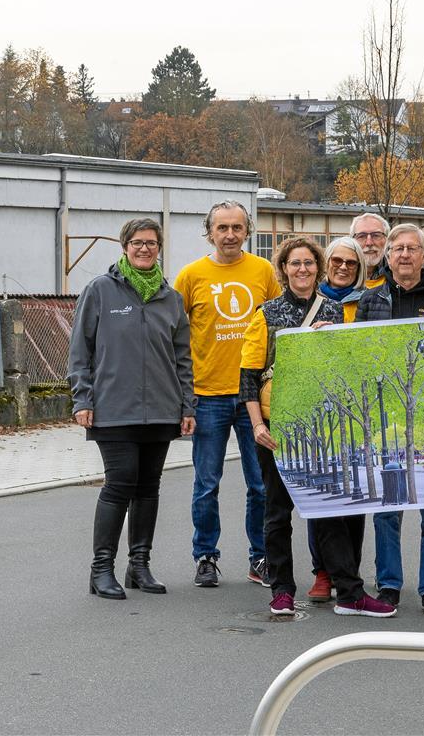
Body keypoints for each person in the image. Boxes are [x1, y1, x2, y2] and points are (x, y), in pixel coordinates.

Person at [240, 236, 397, 618]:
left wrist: (334, 341)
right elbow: (248, 376)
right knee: (277, 512)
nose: (303, 270)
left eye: (309, 263)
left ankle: (349, 592)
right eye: (295, 264)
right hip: (276, 427)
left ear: (319, 268)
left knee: (329, 509)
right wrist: (257, 425)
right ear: (284, 269)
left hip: (321, 427)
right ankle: (281, 590)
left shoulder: (337, 311)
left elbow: (349, 369)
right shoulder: (266, 313)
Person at [68, 218, 197, 600]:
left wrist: (186, 405)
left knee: (149, 488)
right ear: (124, 247)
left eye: (152, 243)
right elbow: (80, 351)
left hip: (160, 409)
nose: (145, 249)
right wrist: (82, 398)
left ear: (160, 248)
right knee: (120, 483)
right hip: (113, 409)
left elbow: (182, 358)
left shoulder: (170, 298)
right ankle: (101, 569)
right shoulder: (100, 291)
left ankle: (139, 565)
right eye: (138, 242)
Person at [174, 201, 282, 588]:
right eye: (223, 228)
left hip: (252, 396)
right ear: (210, 233)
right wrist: (182, 393)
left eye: (237, 227)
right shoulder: (190, 276)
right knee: (206, 482)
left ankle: (261, 557)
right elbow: (174, 332)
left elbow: (278, 321)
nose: (230, 234)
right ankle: (205, 555)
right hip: (208, 395)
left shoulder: (264, 271)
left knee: (260, 484)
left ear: (247, 231)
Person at [356, 224, 424, 617]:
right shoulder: (370, 301)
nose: (403, 255)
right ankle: (389, 586)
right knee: (387, 506)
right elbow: (361, 356)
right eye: (397, 248)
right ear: (387, 256)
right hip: (387, 416)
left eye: (411, 248)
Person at [305, 237, 366, 601]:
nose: (343, 267)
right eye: (337, 261)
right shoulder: (312, 303)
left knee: (355, 496)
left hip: (356, 409)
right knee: (321, 497)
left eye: (352, 263)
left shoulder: (368, 303)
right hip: (319, 410)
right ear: (327, 263)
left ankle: (350, 571)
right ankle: (323, 572)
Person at [349, 213, 391, 290]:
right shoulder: (341, 274)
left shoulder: (397, 275)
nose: (369, 243)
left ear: (387, 240)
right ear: (352, 241)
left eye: (376, 235)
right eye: (361, 236)